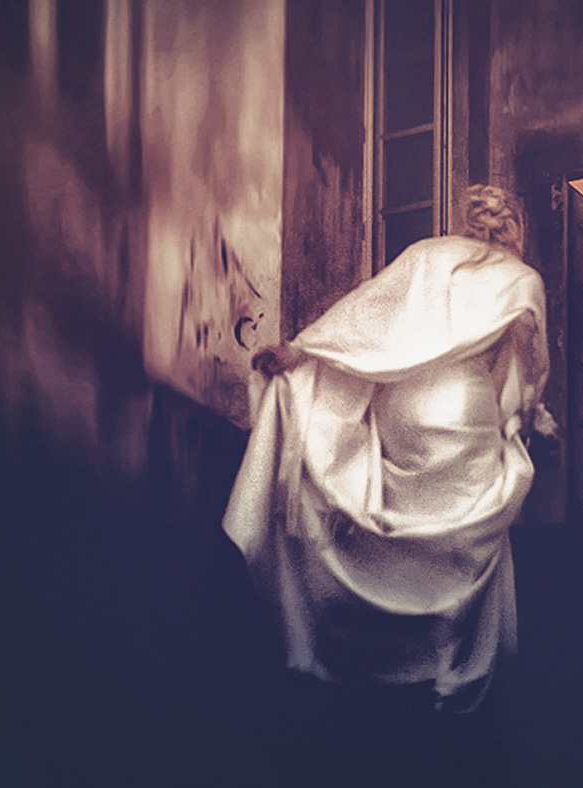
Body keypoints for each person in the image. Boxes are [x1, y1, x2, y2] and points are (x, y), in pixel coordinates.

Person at [223, 185, 554, 715]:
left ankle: (363, 655)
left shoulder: (427, 255)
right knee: (455, 543)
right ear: (516, 228)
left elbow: (363, 318)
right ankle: (441, 664)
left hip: (405, 407)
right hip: (464, 407)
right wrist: (523, 414)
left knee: (400, 533)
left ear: (465, 220)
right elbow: (528, 368)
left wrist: (300, 353)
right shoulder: (523, 280)